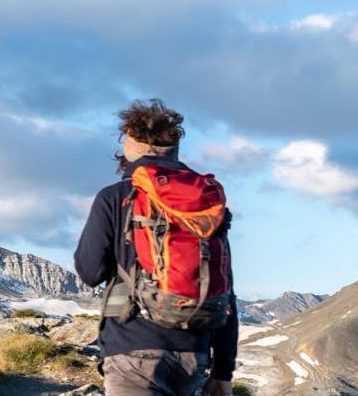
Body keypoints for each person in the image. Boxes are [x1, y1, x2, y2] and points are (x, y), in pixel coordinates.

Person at [75, 99, 237, 396]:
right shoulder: (204, 206)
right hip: (194, 352)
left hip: (132, 346)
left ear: (128, 149)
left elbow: (90, 271)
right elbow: (225, 288)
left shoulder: (115, 197)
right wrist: (223, 372)